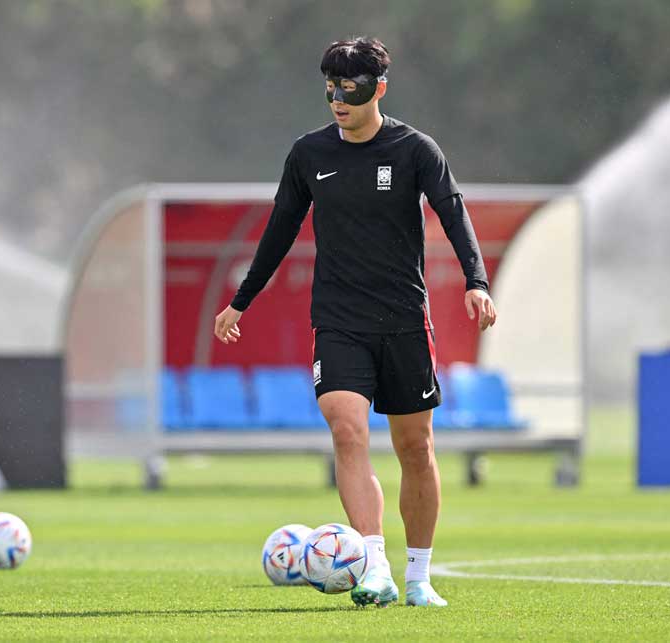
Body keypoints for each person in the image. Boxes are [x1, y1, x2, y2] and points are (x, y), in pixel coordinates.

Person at [214, 36, 496, 608]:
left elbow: (453, 212)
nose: (339, 99)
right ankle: (374, 566)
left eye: (352, 88)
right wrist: (241, 300)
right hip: (339, 321)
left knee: (415, 448)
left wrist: (476, 281)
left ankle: (418, 577)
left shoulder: (415, 150)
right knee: (347, 429)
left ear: (379, 89)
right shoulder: (309, 155)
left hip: (404, 322)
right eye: (331, 88)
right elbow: (280, 231)